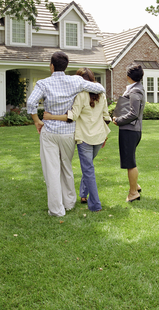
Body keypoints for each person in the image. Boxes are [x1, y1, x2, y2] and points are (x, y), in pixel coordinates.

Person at [27, 51, 106, 217]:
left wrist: (36, 120)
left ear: (51, 66)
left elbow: (31, 103)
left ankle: (56, 209)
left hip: (49, 131)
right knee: (66, 167)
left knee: (52, 170)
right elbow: (100, 88)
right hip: (69, 132)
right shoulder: (76, 81)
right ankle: (69, 203)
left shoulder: (43, 83)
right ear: (66, 66)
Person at [44, 68, 111, 213]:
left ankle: (95, 205)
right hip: (99, 137)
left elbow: (72, 116)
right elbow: (106, 117)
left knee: (88, 170)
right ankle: (83, 195)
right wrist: (104, 136)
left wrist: (51, 117)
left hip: (85, 138)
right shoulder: (101, 94)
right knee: (89, 168)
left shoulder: (81, 95)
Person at [112, 63, 145, 203]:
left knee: (130, 163)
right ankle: (135, 186)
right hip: (132, 130)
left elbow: (133, 113)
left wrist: (118, 120)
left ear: (128, 76)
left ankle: (133, 193)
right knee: (130, 160)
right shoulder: (137, 88)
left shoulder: (135, 91)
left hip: (130, 131)